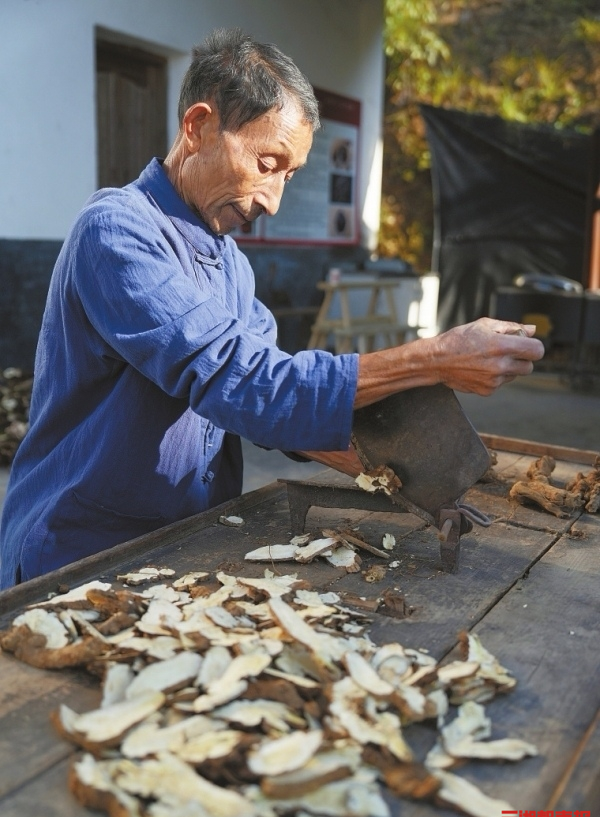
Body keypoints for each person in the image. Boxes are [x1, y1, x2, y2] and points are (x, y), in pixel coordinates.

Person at [0, 29, 544, 589]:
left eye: (289, 175)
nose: (273, 199)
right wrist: (433, 359)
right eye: (266, 162)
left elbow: (275, 406)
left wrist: (406, 482)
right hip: (80, 549)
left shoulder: (233, 266)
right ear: (198, 127)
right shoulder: (116, 231)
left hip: (180, 541)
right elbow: (240, 376)